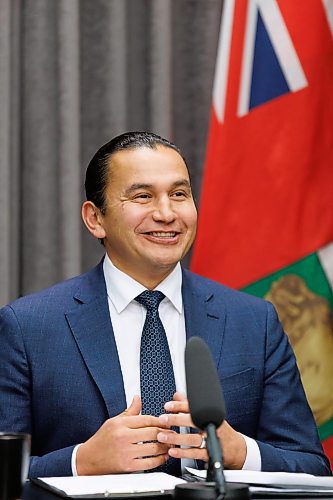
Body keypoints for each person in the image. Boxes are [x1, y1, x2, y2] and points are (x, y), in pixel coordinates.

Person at [0, 131, 330, 478]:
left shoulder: (254, 321)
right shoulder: (28, 327)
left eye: (179, 194)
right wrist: (80, 462)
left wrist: (238, 450)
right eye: (143, 196)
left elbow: (312, 467)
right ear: (95, 219)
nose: (166, 213)